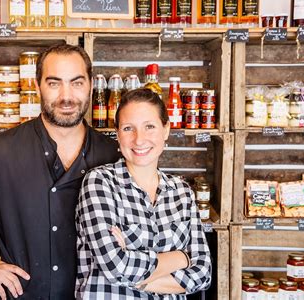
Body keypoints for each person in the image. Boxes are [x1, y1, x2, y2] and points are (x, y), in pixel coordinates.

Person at [0, 44, 120, 299]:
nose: (67, 96)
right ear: (37, 85)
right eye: (54, 83)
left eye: (76, 83)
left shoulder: (114, 155)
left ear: (90, 85)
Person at [76, 88, 212, 299]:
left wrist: (135, 276)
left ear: (166, 130)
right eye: (129, 128)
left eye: (149, 126)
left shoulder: (182, 192)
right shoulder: (100, 183)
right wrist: (181, 258)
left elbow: (203, 274)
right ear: (117, 133)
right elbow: (116, 268)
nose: (139, 140)